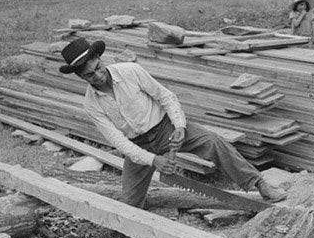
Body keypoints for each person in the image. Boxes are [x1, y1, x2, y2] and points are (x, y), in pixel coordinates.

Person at [60, 37, 287, 208]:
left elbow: (165, 96)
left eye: (98, 68)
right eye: (90, 75)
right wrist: (153, 160)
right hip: (137, 146)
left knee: (214, 142)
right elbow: (119, 142)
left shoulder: (130, 71)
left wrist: (179, 126)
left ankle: (259, 184)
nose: (98, 76)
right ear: (81, 77)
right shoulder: (91, 105)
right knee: (128, 203)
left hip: (164, 128)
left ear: (101, 60)